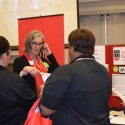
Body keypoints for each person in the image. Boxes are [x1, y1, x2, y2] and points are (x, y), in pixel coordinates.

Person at [40, 29, 112, 125]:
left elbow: (45, 110)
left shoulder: (65, 72)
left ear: (72, 48)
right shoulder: (103, 70)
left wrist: (41, 92)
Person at [0, 36, 36, 125]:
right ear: (5, 55)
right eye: (34, 43)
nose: (37, 46)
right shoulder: (13, 79)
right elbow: (32, 103)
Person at [13, 30, 59, 96]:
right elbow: (16, 83)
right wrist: (23, 71)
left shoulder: (43, 60)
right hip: (30, 100)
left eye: (40, 44)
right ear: (28, 44)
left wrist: (49, 55)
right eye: (34, 43)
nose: (37, 46)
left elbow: (57, 72)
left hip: (46, 98)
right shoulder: (19, 61)